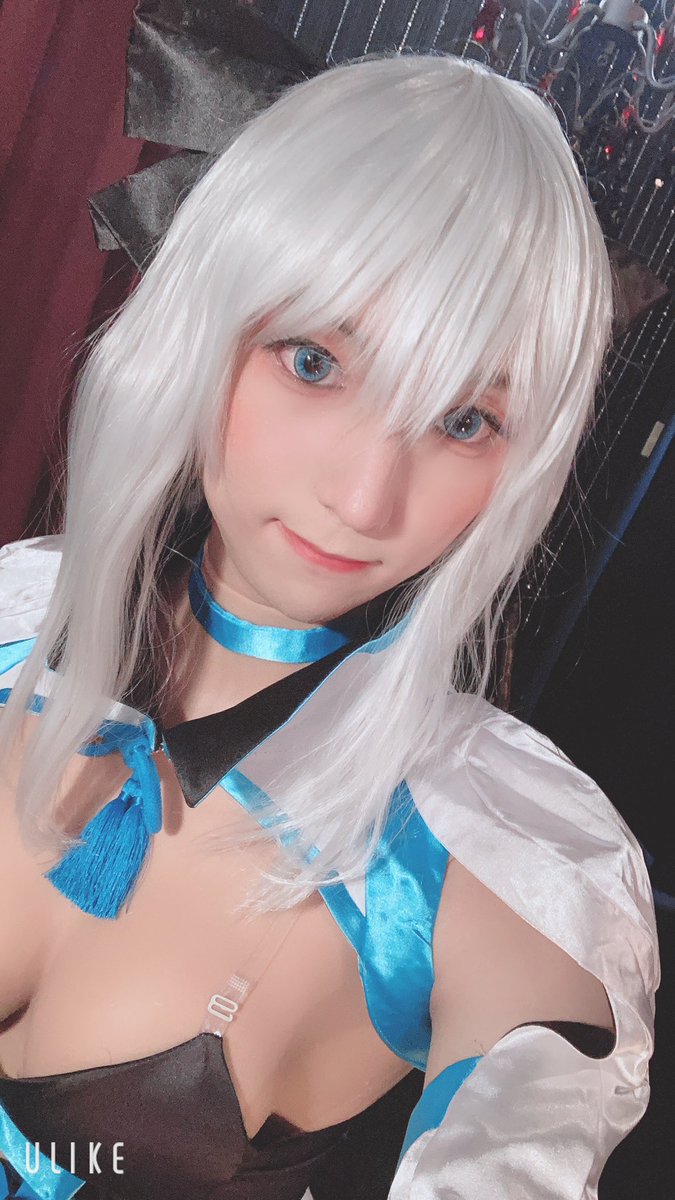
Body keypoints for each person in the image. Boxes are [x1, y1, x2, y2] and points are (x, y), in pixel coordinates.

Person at [0, 53, 658, 1200]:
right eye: (315, 363)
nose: (364, 500)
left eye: (464, 420)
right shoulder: (21, 613)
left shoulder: (495, 855)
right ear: (205, 326)